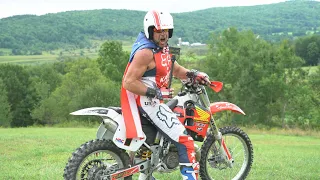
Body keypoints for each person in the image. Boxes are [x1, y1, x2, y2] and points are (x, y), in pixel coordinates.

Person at [121, 10, 210, 180]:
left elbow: (174, 70)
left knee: (150, 149)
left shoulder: (161, 49)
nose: (163, 34)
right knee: (186, 142)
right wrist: (155, 92)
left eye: (166, 31)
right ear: (150, 30)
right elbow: (129, 82)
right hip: (149, 104)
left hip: (154, 103)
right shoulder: (146, 52)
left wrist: (193, 74)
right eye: (159, 31)